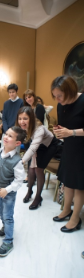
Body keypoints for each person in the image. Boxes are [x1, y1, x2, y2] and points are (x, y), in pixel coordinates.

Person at [51, 75, 84, 233]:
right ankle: (66, 210)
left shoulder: (83, 101)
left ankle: (75, 218)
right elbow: (63, 126)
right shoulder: (60, 105)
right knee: (67, 181)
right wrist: (58, 130)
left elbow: (71, 130)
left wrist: (70, 132)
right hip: (69, 148)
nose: (57, 99)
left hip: (82, 150)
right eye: (55, 96)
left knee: (79, 186)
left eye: (59, 95)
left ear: (70, 91)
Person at [16, 106, 59, 210]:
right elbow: (17, 141)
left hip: (49, 146)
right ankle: (29, 190)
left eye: (25, 118)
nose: (22, 121)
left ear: (31, 118)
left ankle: (38, 197)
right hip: (36, 145)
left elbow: (33, 147)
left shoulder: (39, 128)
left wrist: (21, 161)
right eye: (20, 118)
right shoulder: (20, 127)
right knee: (31, 168)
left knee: (38, 169)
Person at [0, 126, 26, 257]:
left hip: (9, 193)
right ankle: (4, 225)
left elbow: (19, 180)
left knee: (8, 215)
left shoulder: (17, 161)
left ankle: (8, 241)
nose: (5, 137)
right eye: (6, 134)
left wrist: (7, 190)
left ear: (17, 143)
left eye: (10, 136)